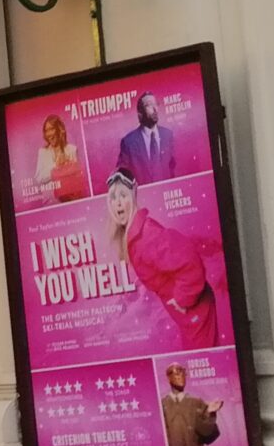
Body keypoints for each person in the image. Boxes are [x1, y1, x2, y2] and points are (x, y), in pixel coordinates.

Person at [103, 169, 228, 349]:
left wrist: (182, 300)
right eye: (113, 198)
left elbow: (190, 262)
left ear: (133, 195)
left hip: (196, 313)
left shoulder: (148, 236)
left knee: (202, 367)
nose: (118, 203)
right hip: (188, 317)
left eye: (123, 195)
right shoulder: (134, 237)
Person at [116, 92, 179, 181]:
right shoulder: (128, 142)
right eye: (149, 105)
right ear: (140, 113)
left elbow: (174, 168)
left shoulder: (168, 135)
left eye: (156, 104)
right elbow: (122, 176)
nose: (155, 109)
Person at [33, 112, 85, 202]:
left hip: (70, 201)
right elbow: (39, 178)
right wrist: (56, 166)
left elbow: (77, 179)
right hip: (50, 203)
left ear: (59, 129)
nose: (49, 134)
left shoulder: (72, 150)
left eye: (51, 129)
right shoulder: (42, 152)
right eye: (46, 131)